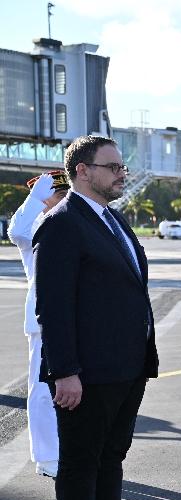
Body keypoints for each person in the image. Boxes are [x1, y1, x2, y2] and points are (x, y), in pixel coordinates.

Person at [34, 135, 164, 500]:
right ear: (83, 171)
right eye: (112, 167)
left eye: (121, 167)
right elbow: (53, 306)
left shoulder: (113, 220)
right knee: (80, 464)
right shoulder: (62, 224)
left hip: (126, 367)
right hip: (86, 372)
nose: (121, 174)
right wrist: (64, 370)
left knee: (111, 459)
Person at [9, 171, 69, 478]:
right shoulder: (33, 228)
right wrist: (32, 201)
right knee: (43, 391)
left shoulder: (72, 226)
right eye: (56, 196)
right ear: (44, 199)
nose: (62, 202)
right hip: (43, 321)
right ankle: (48, 457)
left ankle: (69, 451)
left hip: (75, 320)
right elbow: (15, 230)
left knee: (74, 390)